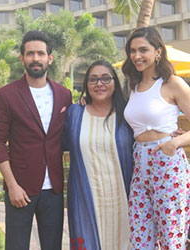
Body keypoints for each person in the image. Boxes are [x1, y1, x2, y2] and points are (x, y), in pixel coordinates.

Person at [0, 30, 72, 250]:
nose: (35, 58)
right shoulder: (6, 94)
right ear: (22, 58)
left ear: (50, 58)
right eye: (30, 53)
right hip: (20, 189)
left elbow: (66, 137)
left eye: (40, 53)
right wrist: (12, 185)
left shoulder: (64, 95)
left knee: (52, 246)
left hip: (54, 189)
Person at [123, 26, 190, 250]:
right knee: (140, 236)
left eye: (143, 50)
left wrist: (176, 142)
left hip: (167, 163)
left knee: (171, 236)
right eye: (132, 51)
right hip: (139, 166)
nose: (137, 56)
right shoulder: (133, 86)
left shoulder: (172, 83)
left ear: (158, 51)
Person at [63, 60, 134, 250]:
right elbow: (56, 142)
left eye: (105, 78)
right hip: (85, 198)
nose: (99, 84)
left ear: (115, 83)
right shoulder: (75, 113)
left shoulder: (129, 113)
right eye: (93, 79)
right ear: (86, 84)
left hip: (124, 198)